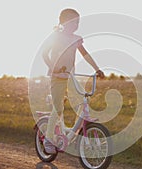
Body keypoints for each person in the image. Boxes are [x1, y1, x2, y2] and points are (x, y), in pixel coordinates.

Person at [42, 8, 105, 154]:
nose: (76, 24)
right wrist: (54, 67)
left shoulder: (76, 39)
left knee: (81, 103)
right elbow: (45, 54)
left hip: (71, 77)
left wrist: (97, 69)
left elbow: (85, 54)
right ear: (63, 22)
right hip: (57, 77)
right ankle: (48, 139)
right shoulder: (56, 36)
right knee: (58, 109)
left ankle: (73, 133)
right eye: (72, 21)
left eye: (78, 22)